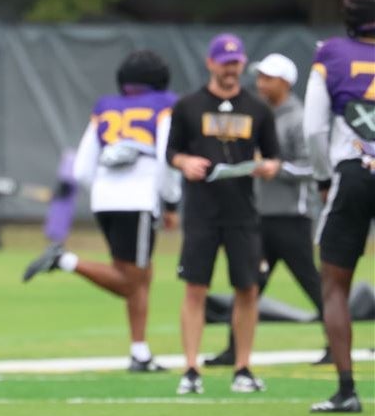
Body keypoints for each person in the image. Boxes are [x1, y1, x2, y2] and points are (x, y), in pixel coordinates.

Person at [23, 50, 181, 373]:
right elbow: (168, 156)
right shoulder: (165, 106)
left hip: (105, 198)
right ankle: (63, 259)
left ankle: (139, 352)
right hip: (138, 198)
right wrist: (171, 201)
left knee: (142, 273)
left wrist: (107, 188)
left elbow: (82, 168)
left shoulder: (105, 107)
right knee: (130, 281)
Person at [166, 33, 282, 395]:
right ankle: (190, 367)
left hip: (242, 211)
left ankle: (243, 366)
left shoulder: (258, 108)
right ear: (211, 63)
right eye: (225, 62)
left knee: (247, 288)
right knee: (195, 287)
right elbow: (172, 152)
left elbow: (274, 157)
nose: (231, 69)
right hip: (201, 210)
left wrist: (267, 168)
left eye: (236, 62)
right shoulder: (189, 106)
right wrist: (186, 162)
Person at [205, 53, 329, 367]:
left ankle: (336, 343)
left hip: (291, 217)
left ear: (285, 82)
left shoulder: (299, 117)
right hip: (259, 216)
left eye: (268, 78)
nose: (260, 84)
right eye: (259, 77)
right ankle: (234, 349)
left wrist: (279, 169)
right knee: (249, 283)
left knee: (311, 282)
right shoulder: (258, 115)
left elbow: (313, 168)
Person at [303, 0, 375, 414]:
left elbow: (314, 127)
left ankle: (347, 389)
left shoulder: (329, 54)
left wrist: (323, 177)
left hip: (351, 169)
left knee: (334, 283)